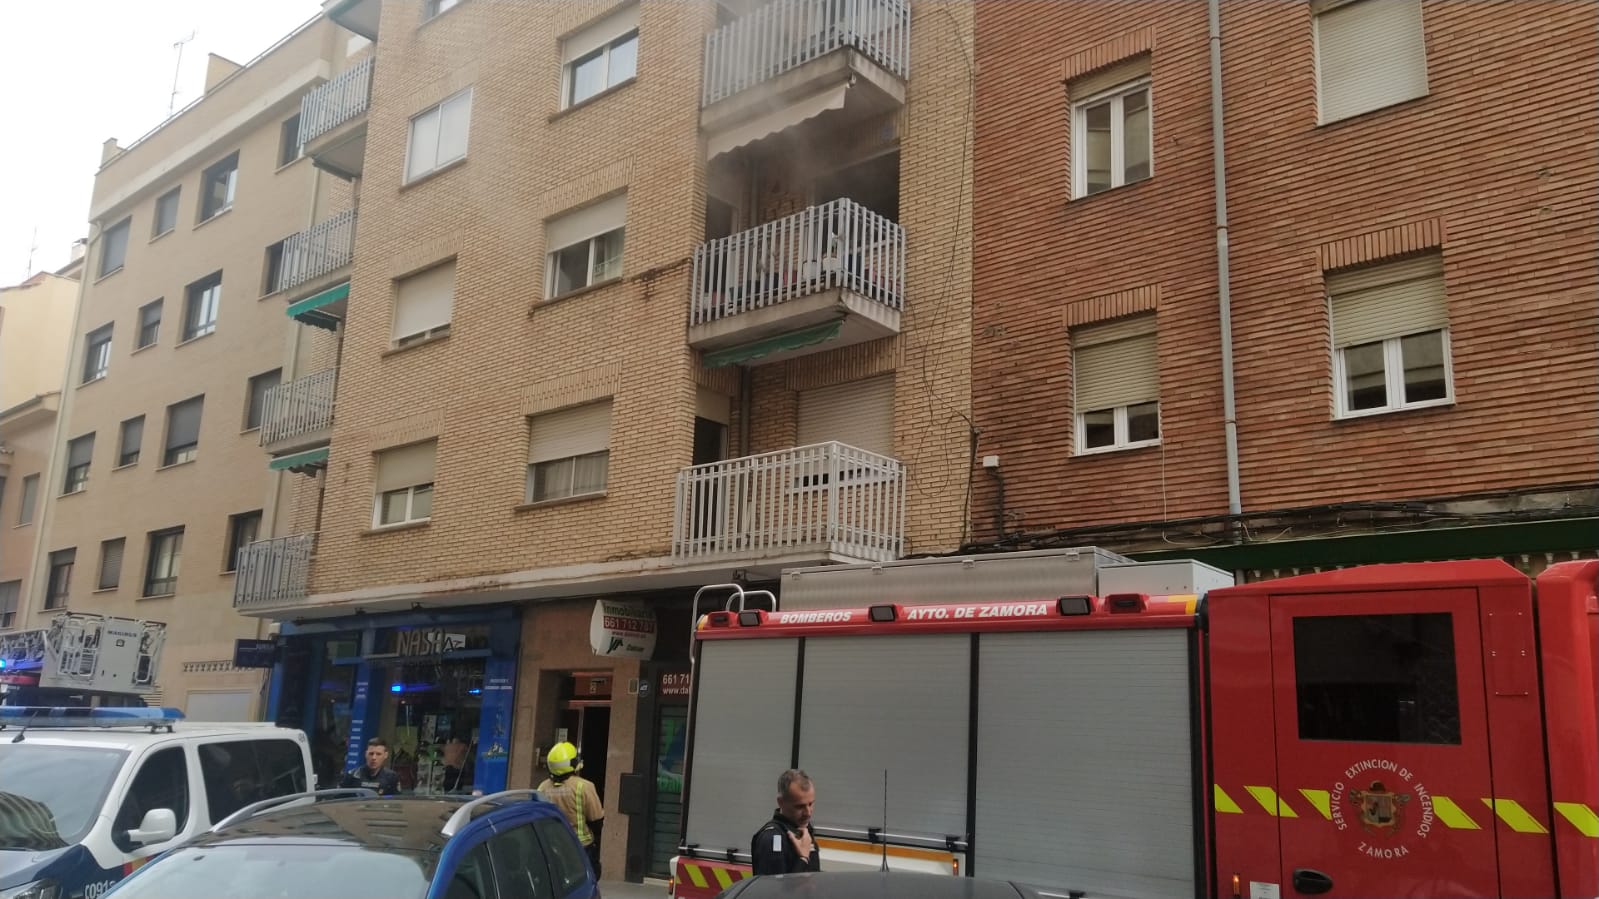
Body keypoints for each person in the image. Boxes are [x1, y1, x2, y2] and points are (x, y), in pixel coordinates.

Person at [537, 742, 605, 876]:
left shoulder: (542, 788)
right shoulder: (584, 786)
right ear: (572, 763)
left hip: (552, 846)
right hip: (580, 847)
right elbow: (597, 820)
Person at [751, 769, 820, 875]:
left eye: (811, 804)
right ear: (781, 802)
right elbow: (774, 889)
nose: (808, 813)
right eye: (800, 806)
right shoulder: (773, 839)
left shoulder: (803, 829)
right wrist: (803, 859)